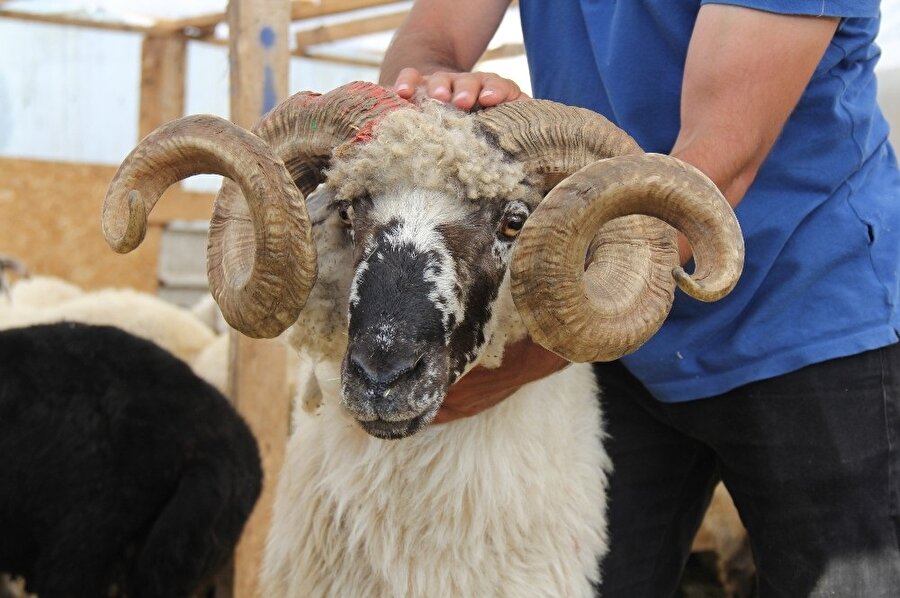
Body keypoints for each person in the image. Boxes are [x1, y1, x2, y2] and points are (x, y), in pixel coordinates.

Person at [379, 1, 900, 597]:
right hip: (622, 339)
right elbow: (432, 32)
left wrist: (528, 360)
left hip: (806, 321)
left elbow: (714, 163)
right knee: (572, 581)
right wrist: (436, 88)